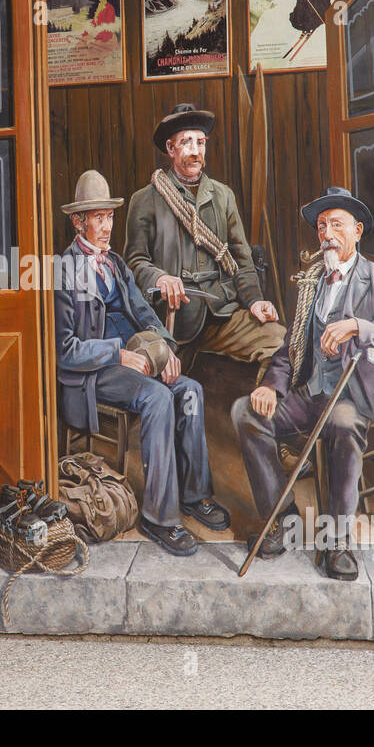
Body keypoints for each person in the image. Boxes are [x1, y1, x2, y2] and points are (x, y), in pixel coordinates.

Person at [232, 188, 374, 581]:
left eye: (337, 224)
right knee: (246, 413)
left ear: (357, 231)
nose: (327, 234)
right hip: (312, 394)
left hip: (358, 395)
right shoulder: (311, 283)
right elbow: (289, 349)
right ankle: (282, 520)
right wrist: (271, 385)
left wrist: (360, 327)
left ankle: (337, 541)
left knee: (344, 421)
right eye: (321, 227)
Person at [55, 170, 229, 557]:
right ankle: (160, 517)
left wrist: (167, 349)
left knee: (190, 392)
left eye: (109, 217)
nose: (106, 226)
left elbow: (144, 313)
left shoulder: (115, 264)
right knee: (157, 399)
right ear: (78, 221)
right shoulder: (63, 271)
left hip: (133, 362)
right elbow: (65, 351)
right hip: (91, 375)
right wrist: (117, 354)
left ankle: (194, 495)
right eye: (97, 218)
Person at [124, 103, 285, 379]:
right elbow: (134, 262)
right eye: (186, 142)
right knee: (154, 384)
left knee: (278, 340)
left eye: (201, 142)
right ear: (171, 149)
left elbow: (241, 260)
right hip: (171, 321)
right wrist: (159, 278)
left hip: (222, 312)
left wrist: (255, 301)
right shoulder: (145, 200)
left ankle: (258, 409)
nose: (195, 151)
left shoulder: (222, 196)